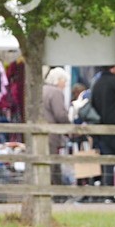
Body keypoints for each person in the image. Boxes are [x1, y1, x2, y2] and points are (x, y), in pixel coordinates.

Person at [89, 63, 115, 193]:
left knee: (106, 160)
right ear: (114, 68)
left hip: (100, 126)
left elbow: (92, 104)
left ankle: (106, 189)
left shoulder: (96, 83)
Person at [42, 66, 71, 200]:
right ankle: (56, 194)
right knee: (53, 163)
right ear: (58, 80)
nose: (65, 85)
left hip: (42, 132)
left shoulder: (42, 90)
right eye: (64, 81)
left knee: (47, 163)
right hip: (52, 133)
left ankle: (55, 192)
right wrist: (70, 128)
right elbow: (60, 114)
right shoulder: (56, 93)